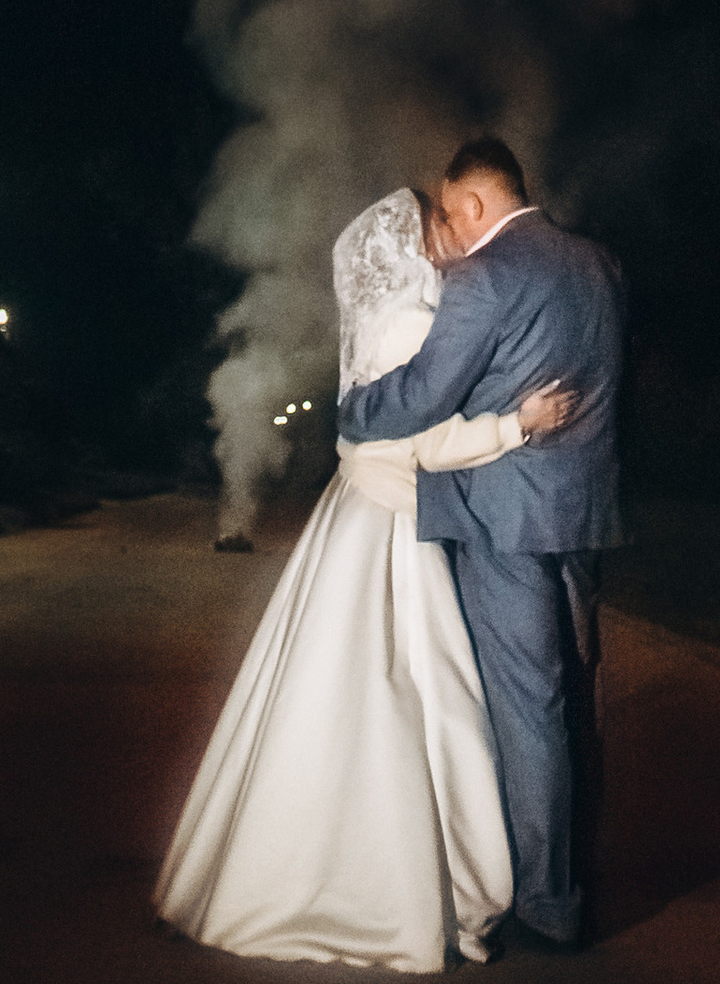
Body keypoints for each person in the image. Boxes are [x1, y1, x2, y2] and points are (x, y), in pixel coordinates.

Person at [156, 180, 577, 972]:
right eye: (435, 224)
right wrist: (519, 424)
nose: (448, 234)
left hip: (351, 512)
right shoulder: (415, 321)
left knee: (330, 688)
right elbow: (430, 445)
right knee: (416, 696)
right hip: (393, 527)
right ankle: (389, 892)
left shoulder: (374, 318)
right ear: (410, 243)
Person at [335, 138, 622, 960]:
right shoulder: (600, 265)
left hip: (504, 521)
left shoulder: (484, 277)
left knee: (530, 710)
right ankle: (564, 870)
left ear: (471, 201)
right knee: (571, 699)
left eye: (452, 213)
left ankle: (549, 902)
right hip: (581, 515)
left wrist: (353, 410)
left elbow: (423, 396)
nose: (450, 235)